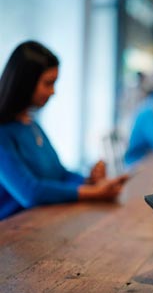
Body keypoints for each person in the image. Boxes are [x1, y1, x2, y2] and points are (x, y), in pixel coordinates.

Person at [0, 41, 128, 220]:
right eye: (48, 83)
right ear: (25, 83)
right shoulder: (3, 133)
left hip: (42, 224)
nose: (53, 92)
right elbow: (30, 193)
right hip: (12, 235)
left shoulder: (31, 123)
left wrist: (89, 180)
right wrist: (93, 192)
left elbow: (59, 174)